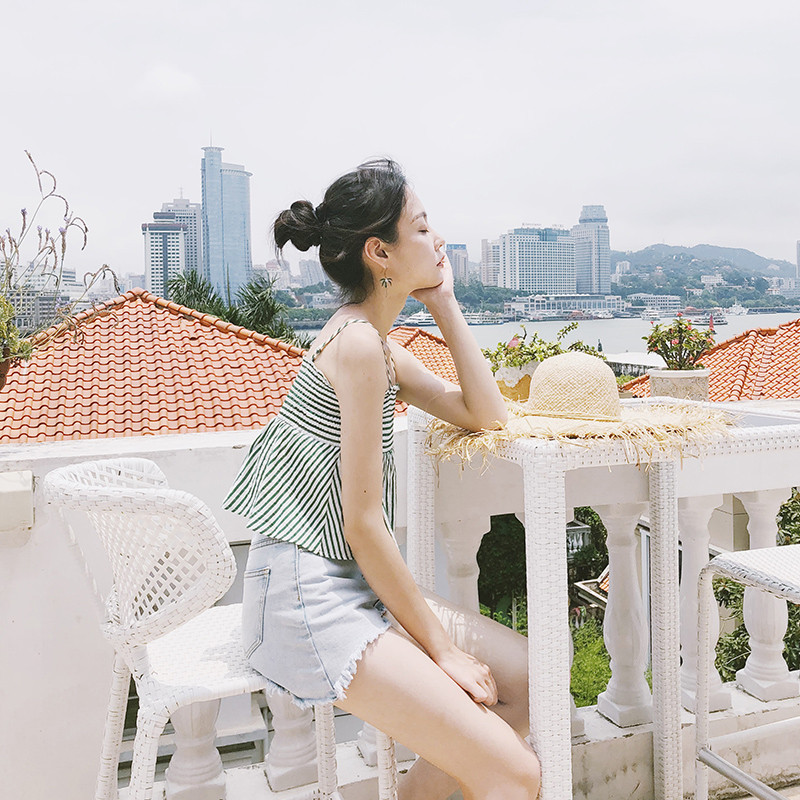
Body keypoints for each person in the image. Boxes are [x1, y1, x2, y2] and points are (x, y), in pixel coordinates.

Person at [224, 159, 541, 800]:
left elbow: (486, 414)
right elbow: (364, 524)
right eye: (421, 229)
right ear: (380, 253)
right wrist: (444, 653)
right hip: (309, 598)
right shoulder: (360, 348)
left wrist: (444, 302)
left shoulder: (377, 344)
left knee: (529, 681)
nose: (439, 240)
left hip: (346, 584)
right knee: (517, 774)